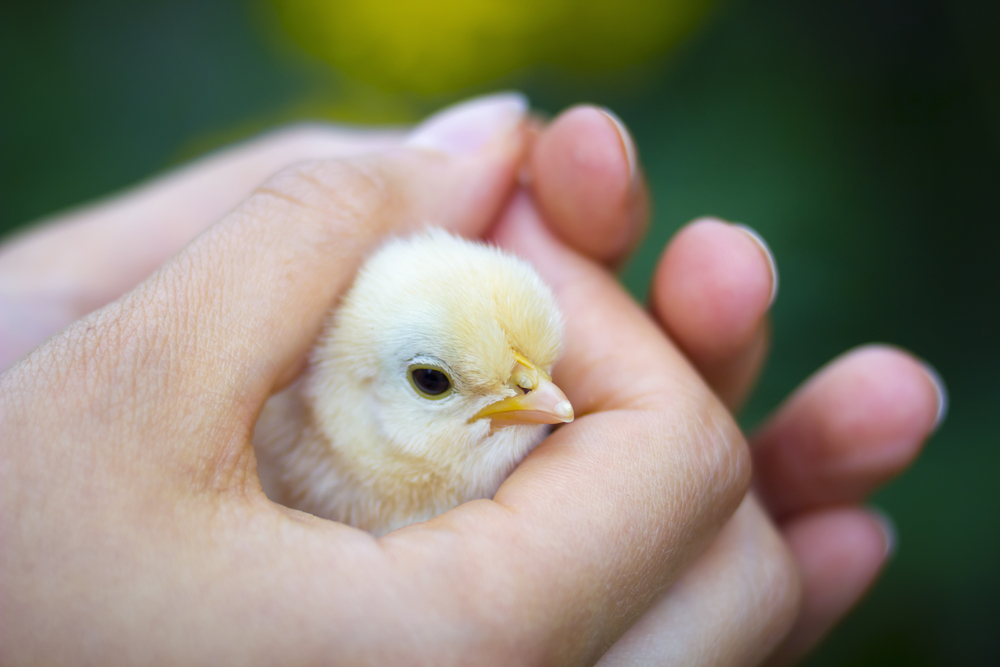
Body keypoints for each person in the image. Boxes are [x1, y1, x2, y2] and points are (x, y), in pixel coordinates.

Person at [0, 94, 943, 665]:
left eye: (535, 365)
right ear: (355, 386)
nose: (544, 396)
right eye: (432, 380)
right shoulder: (263, 457)